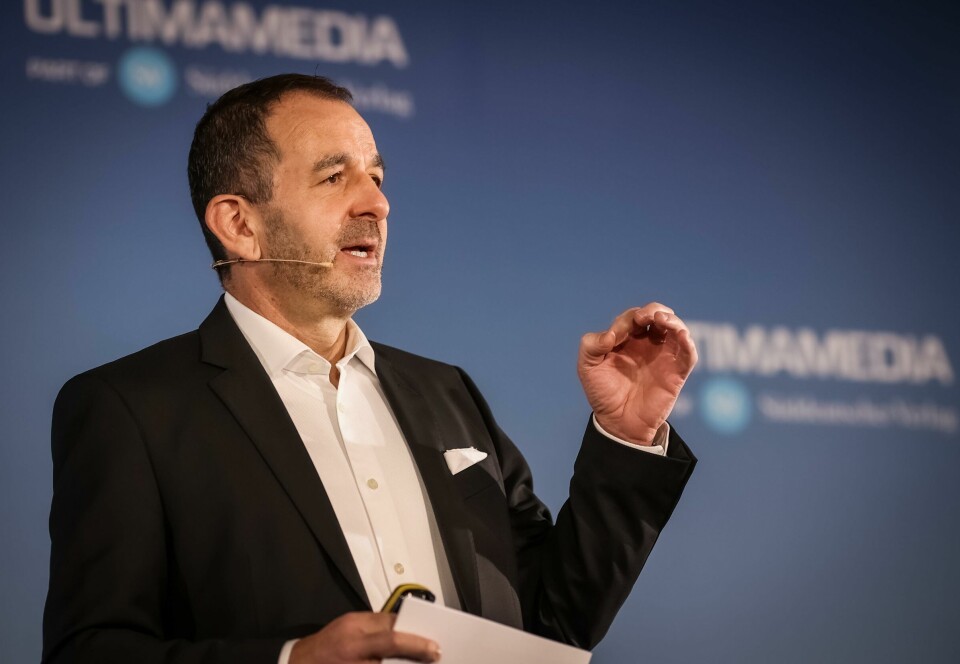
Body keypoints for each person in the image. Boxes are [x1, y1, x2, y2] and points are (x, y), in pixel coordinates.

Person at [42, 74, 698, 664]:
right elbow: (91, 650)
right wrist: (292, 661)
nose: (377, 205)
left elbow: (553, 623)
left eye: (377, 178)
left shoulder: (447, 393)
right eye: (335, 178)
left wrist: (627, 435)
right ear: (239, 225)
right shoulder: (131, 410)